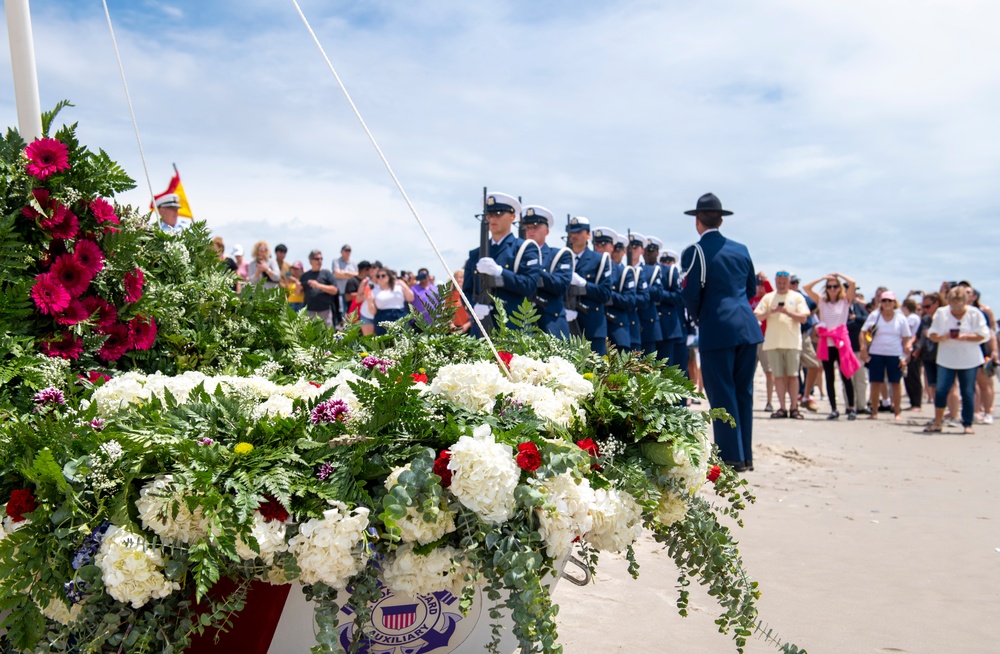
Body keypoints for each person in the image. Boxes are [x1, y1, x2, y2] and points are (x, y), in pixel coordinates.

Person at [679, 193, 762, 472]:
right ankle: (745, 456)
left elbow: (690, 293)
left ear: (697, 222)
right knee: (743, 392)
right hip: (747, 328)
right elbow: (751, 289)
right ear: (722, 220)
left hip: (717, 327)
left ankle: (730, 457)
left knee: (722, 393)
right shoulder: (741, 249)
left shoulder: (695, 252)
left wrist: (701, 315)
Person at [462, 192, 542, 335]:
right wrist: (474, 307)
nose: (492, 219)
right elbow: (466, 291)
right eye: (489, 215)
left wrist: (500, 272)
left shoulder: (524, 249)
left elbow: (529, 286)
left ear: (512, 217)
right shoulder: (476, 254)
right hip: (481, 330)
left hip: (513, 327)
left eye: (498, 214)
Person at [924, 286, 991, 434]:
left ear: (965, 302)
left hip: (969, 359)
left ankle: (967, 424)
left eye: (960, 306)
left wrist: (965, 337)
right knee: (941, 390)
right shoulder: (942, 313)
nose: (957, 310)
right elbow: (932, 335)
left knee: (967, 391)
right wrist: (944, 337)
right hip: (946, 359)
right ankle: (937, 422)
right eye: (954, 306)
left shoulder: (975, 313)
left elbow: (984, 335)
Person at [803, 273, 861, 420]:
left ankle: (851, 407)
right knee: (829, 377)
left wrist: (839, 276)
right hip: (827, 342)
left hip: (841, 341)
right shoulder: (822, 301)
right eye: (829, 287)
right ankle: (834, 409)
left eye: (835, 286)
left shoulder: (845, 301)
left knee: (846, 375)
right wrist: (823, 278)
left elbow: (853, 282)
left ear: (840, 288)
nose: (832, 289)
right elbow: (806, 287)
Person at [753, 271, 810, 419]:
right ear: (775, 281)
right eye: (779, 282)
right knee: (777, 376)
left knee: (793, 376)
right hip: (772, 343)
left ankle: (794, 407)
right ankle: (782, 408)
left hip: (792, 343)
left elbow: (804, 319)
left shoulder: (797, 297)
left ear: (789, 282)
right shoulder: (769, 297)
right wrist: (770, 312)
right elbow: (757, 316)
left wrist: (787, 312)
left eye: (784, 283)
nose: (781, 285)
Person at [858, 291, 912, 421]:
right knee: (875, 382)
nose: (887, 303)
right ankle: (874, 412)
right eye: (884, 301)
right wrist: (863, 348)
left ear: (894, 302)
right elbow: (863, 331)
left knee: (895, 383)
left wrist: (905, 356)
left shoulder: (900, 318)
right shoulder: (875, 316)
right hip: (877, 352)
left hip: (894, 353)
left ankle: (897, 412)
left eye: (890, 301)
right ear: (880, 303)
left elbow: (906, 338)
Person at [522, 205, 572, 337]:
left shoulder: (559, 255)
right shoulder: (517, 255)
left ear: (547, 231)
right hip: (523, 321)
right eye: (527, 227)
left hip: (550, 322)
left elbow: (561, 286)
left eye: (535, 227)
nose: (530, 231)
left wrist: (534, 269)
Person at [564, 216, 613, 353]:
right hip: (567, 324)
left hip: (592, 326)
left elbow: (605, 293)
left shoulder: (599, 259)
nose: (574, 236)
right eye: (571, 232)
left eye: (578, 232)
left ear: (588, 235)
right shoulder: (563, 257)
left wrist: (584, 284)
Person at [594, 227, 632, 350]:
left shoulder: (623, 272)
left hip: (616, 330)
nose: (600, 249)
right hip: (594, 327)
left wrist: (606, 294)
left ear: (612, 248)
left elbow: (629, 301)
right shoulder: (590, 268)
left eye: (604, 245)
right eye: (597, 245)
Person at [789, 274, 821, 412]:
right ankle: (796, 399)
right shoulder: (779, 297)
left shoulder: (804, 298)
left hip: (803, 335)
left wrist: (814, 332)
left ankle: (807, 394)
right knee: (792, 370)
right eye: (792, 282)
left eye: (796, 282)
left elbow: (814, 309)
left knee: (813, 365)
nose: (794, 285)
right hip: (787, 335)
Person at [969, 288, 997, 424]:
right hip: (964, 352)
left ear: (974, 296)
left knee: (984, 382)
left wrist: (994, 351)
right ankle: (975, 411)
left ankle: (988, 412)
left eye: (968, 292)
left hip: (981, 350)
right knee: (971, 384)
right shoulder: (954, 312)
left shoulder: (982, 312)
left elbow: (990, 333)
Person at [750, 272, 775, 411]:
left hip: (765, 339)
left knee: (769, 371)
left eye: (762, 286)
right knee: (749, 372)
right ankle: (749, 400)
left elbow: (773, 293)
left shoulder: (767, 299)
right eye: (757, 285)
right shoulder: (750, 298)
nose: (760, 288)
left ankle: (769, 401)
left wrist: (765, 281)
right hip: (752, 340)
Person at [367, 268, 415, 336]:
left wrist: (403, 284)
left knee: (403, 339)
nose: (380, 278)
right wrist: (369, 301)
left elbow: (411, 298)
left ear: (389, 276)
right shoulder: (374, 291)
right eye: (378, 276)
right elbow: (373, 311)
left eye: (383, 275)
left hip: (400, 315)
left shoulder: (398, 287)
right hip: (382, 318)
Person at [638, 236, 664, 355]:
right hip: (641, 320)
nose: (648, 254)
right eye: (646, 251)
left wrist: (642, 287)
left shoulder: (661, 270)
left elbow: (659, 294)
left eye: (651, 251)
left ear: (657, 252)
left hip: (654, 322)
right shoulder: (639, 269)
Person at [845, 289, 870, 414]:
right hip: (845, 348)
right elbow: (844, 325)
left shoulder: (858, 306)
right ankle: (850, 405)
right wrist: (855, 322)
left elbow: (867, 319)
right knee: (848, 379)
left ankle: (862, 405)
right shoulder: (840, 307)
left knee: (861, 378)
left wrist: (856, 318)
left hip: (859, 347)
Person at [915, 292, 942, 407]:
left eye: (927, 306)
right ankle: (938, 413)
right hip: (928, 356)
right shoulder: (925, 319)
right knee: (933, 385)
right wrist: (915, 348)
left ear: (936, 304)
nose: (925, 309)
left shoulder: (943, 317)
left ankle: (952, 412)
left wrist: (932, 334)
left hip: (942, 356)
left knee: (947, 385)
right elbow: (918, 337)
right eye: (923, 307)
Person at [300, 249, 338, 327]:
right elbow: (298, 292)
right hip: (309, 311)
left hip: (325, 311)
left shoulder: (327, 273)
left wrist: (318, 285)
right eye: (317, 259)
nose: (320, 261)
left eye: (321, 259)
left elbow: (334, 290)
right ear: (311, 261)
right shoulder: (304, 275)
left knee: (326, 336)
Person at [901, 296, 924, 410]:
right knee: (908, 376)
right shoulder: (911, 317)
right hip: (908, 348)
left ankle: (916, 403)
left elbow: (905, 331)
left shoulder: (912, 317)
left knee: (913, 376)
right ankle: (913, 402)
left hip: (913, 348)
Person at [332, 245, 358, 324]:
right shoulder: (336, 261)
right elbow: (336, 274)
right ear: (341, 251)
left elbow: (357, 274)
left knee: (352, 313)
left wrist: (345, 273)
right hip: (340, 292)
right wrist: (351, 275)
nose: (347, 252)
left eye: (349, 250)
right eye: (345, 250)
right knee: (342, 313)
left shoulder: (353, 263)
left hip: (351, 293)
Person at [449, 269, 472, 333]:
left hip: (470, 328)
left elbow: (475, 312)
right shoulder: (449, 295)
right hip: (454, 329)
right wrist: (452, 326)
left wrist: (468, 324)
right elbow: (446, 313)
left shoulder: (469, 294)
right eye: (456, 278)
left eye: (461, 277)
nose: (458, 280)